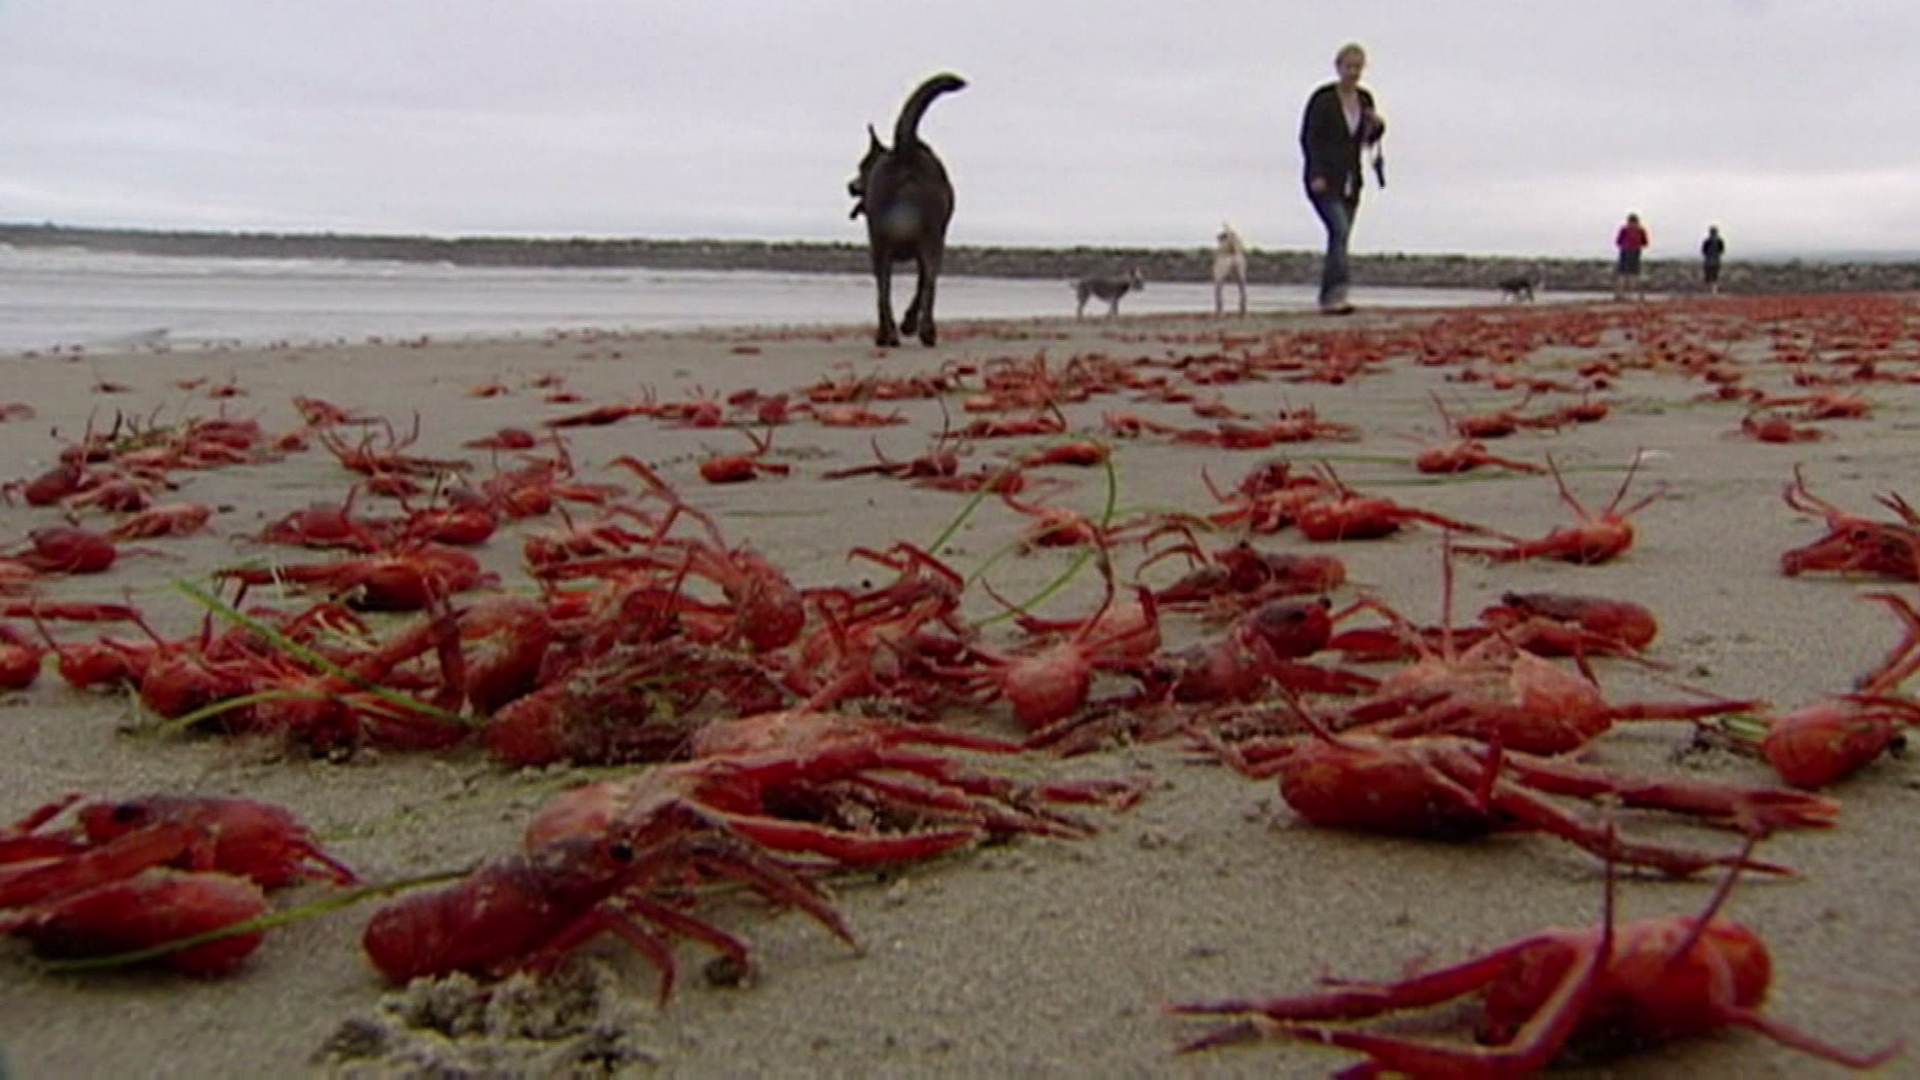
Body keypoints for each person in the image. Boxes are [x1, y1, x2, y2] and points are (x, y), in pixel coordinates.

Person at [1299, 42, 1385, 315]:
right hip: (1323, 178)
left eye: (1358, 67)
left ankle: (1330, 295)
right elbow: (1309, 138)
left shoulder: (1365, 99)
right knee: (1339, 230)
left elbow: (1365, 142)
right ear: (1338, 67)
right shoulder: (1323, 99)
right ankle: (1335, 296)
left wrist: (1377, 128)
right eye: (1348, 66)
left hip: (1351, 179)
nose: (1353, 72)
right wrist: (1316, 173)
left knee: (1341, 237)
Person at [1614, 212, 1649, 301]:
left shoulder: (1624, 229)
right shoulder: (1641, 229)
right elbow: (1645, 243)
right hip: (1635, 252)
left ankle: (1619, 294)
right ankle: (1632, 295)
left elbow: (1618, 241)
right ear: (1637, 221)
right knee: (1634, 274)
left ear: (1628, 221)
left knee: (1622, 273)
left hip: (1624, 251)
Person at [1701, 225, 1725, 294]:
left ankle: (1708, 290)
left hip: (1708, 260)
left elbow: (1703, 251)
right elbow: (1722, 251)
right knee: (1715, 275)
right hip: (1716, 260)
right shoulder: (1719, 241)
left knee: (1708, 275)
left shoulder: (1707, 241)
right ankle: (1713, 291)